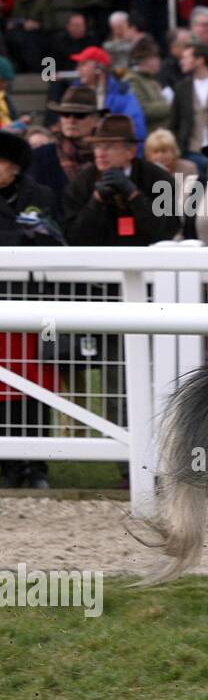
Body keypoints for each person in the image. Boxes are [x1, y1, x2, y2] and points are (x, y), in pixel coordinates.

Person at [0, 131, 62, 490]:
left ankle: (37, 465)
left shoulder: (41, 195)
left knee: (36, 386)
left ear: (14, 166)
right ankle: (8, 465)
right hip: (3, 304)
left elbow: (57, 234)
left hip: (33, 302)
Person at [63, 113, 178, 245]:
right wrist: (96, 200)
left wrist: (134, 196)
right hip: (100, 259)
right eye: (97, 146)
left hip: (145, 258)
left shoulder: (158, 179)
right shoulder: (81, 182)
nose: (100, 154)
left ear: (131, 151)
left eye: (109, 147)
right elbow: (73, 237)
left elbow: (167, 231)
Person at [32, 85, 100, 196]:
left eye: (79, 115)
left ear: (95, 120)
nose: (71, 120)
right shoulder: (41, 156)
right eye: (65, 114)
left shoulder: (104, 157)